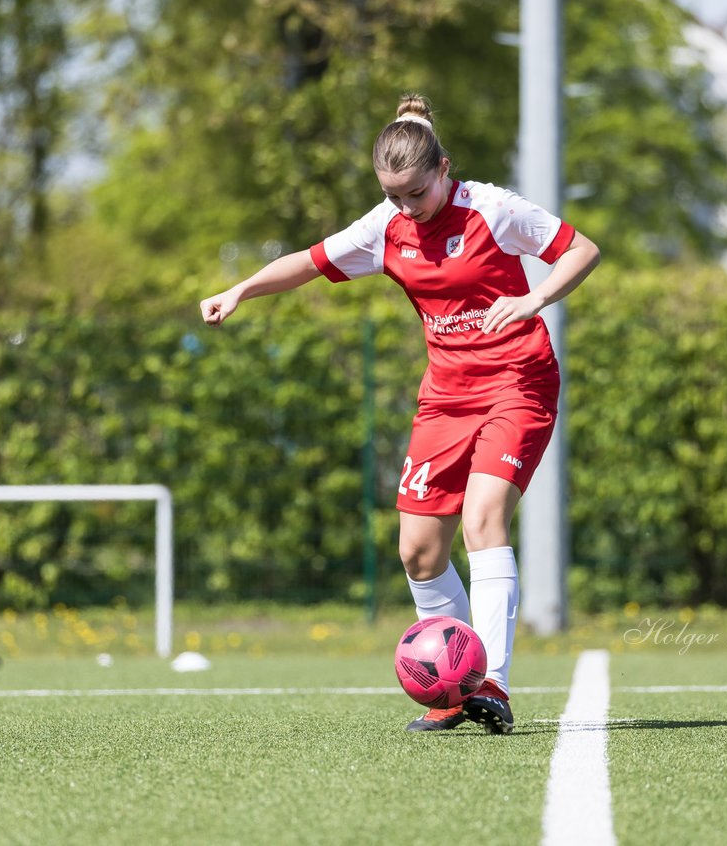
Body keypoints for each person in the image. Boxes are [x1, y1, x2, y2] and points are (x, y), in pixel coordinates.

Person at [201, 94, 600, 733]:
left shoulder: (493, 210)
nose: (406, 206)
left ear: (446, 167)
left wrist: (535, 299)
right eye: (394, 195)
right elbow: (307, 262)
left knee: (483, 518)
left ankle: (490, 682)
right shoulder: (384, 226)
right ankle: (454, 689)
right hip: (445, 395)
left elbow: (582, 250)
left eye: (416, 191)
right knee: (417, 551)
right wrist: (239, 289)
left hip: (517, 380)